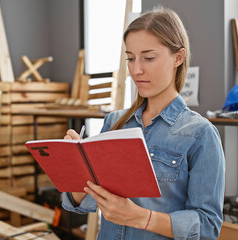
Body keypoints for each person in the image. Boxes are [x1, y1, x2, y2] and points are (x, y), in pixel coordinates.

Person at [62, 7, 225, 240]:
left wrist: (140, 217)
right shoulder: (114, 123)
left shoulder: (200, 134)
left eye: (148, 58)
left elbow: (208, 226)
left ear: (178, 57)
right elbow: (83, 201)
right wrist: (75, 166)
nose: (136, 70)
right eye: (130, 58)